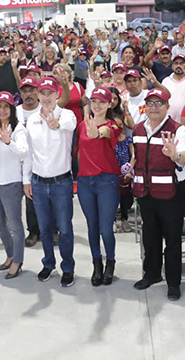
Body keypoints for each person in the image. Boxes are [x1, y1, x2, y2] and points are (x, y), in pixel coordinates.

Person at [132, 88, 185, 301]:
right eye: (150, 103)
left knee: (172, 239)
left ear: (167, 107)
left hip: (171, 194)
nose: (154, 107)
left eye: (159, 103)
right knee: (150, 236)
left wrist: (175, 155)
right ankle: (152, 274)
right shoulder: (138, 129)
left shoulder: (177, 129)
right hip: (146, 193)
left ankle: (173, 283)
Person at [23, 76, 77, 287]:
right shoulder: (32, 121)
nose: (46, 97)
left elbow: (70, 125)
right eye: (43, 93)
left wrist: (56, 124)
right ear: (38, 95)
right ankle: (48, 263)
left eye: (50, 93)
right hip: (38, 182)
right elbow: (29, 153)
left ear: (57, 94)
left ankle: (68, 267)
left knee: (64, 228)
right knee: (44, 228)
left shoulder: (67, 115)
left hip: (61, 183)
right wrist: (26, 180)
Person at [76, 87, 122, 286]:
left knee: (105, 228)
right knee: (92, 226)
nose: (97, 105)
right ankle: (97, 264)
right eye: (94, 101)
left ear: (109, 104)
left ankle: (110, 262)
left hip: (106, 182)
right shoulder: (82, 125)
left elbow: (104, 133)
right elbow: (78, 152)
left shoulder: (113, 126)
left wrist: (96, 133)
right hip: (85, 182)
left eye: (102, 102)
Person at [0, 91, 28, 279]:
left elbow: (23, 152)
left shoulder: (19, 130)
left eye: (6, 106)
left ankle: (18, 260)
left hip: (11, 182)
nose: (2, 110)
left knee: (15, 224)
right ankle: (10, 254)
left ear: (12, 109)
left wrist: (9, 142)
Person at [15, 77, 41, 247]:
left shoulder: (44, 109)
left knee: (46, 197)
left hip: (41, 159)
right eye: (24, 91)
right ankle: (33, 230)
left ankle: (52, 229)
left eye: (31, 90)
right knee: (29, 198)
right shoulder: (15, 111)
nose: (28, 94)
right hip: (20, 161)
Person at [161, 54, 185, 122]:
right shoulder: (166, 80)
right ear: (172, 66)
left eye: (181, 63)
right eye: (176, 63)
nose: (178, 66)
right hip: (168, 121)